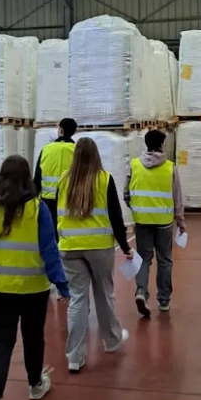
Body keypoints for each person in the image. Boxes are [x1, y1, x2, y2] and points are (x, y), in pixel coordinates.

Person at [0, 155, 70, 400]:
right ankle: (35, 384)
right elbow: (49, 250)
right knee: (32, 335)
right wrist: (62, 285)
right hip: (31, 286)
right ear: (28, 178)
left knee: (1, 341)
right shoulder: (36, 210)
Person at [57, 137, 131, 373]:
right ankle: (111, 340)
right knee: (104, 292)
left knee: (77, 299)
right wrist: (126, 247)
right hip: (99, 247)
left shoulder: (63, 181)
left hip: (69, 247)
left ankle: (74, 357)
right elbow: (116, 217)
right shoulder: (104, 179)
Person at [124, 128, 185, 318]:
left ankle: (141, 291)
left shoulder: (134, 165)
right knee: (165, 260)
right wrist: (181, 221)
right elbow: (177, 197)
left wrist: (137, 208)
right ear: (161, 144)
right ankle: (164, 301)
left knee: (142, 258)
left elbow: (126, 194)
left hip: (142, 220)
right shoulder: (169, 167)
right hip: (164, 222)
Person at [33, 117, 78, 234]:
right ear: (74, 132)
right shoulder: (77, 150)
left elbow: (37, 177)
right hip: (70, 201)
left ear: (60, 130)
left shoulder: (46, 149)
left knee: (49, 234)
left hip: (47, 201)